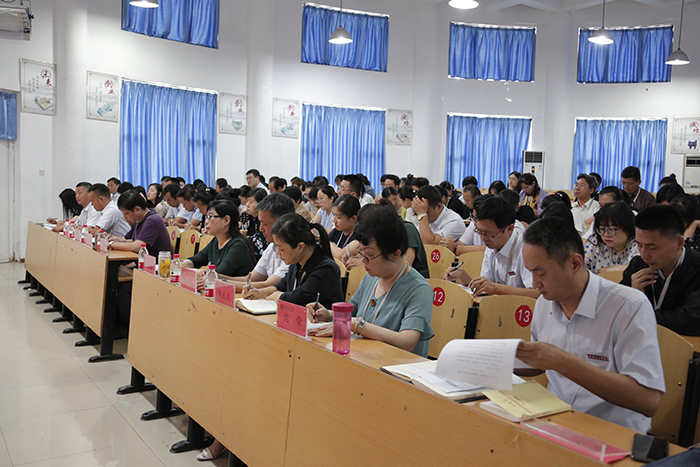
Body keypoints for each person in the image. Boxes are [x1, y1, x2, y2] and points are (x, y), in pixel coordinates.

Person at [516, 217, 664, 434]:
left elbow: (648, 401)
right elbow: (539, 364)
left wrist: (561, 361)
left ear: (575, 263)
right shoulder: (544, 303)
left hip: (612, 433)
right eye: (530, 272)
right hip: (555, 422)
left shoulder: (628, 306)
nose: (534, 283)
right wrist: (495, 360)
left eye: (541, 273)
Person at [308, 205, 434, 357]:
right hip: (366, 357)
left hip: (396, 365)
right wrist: (328, 315)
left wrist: (357, 326)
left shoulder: (419, 289)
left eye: (369, 255)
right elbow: (353, 312)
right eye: (361, 252)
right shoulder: (371, 277)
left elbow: (407, 341)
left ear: (395, 254)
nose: (363, 260)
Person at [621, 205, 700, 336]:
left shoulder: (696, 269)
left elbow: (688, 320)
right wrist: (633, 294)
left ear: (679, 243)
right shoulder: (638, 264)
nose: (644, 255)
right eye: (639, 245)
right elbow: (618, 309)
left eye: (652, 247)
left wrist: (638, 309)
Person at [444, 196, 539, 298]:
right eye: (479, 231)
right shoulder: (492, 245)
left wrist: (497, 289)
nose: (483, 238)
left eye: (488, 234)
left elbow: (538, 294)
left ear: (510, 229)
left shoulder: (527, 250)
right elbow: (486, 286)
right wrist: (464, 277)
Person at [242, 213, 344, 309]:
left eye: (282, 249)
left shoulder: (326, 269)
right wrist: (259, 293)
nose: (278, 252)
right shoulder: (297, 262)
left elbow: (300, 298)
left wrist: (279, 296)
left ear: (300, 247)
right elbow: (281, 285)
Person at [111, 190, 172, 335]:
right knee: (115, 280)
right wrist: (119, 240)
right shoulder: (142, 219)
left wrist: (111, 244)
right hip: (144, 265)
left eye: (126, 213)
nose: (125, 217)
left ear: (137, 209)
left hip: (157, 269)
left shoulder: (152, 220)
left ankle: (131, 330)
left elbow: (137, 246)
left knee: (124, 289)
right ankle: (117, 324)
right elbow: (135, 241)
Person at [218, 193, 294, 292]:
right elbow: (251, 279)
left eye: (265, 224)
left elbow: (267, 285)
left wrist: (219, 283)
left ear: (282, 223)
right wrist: (217, 277)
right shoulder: (271, 247)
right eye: (259, 223)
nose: (260, 229)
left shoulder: (293, 250)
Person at [181, 200, 256, 279]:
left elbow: (217, 275)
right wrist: (178, 264)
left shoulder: (239, 245)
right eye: (207, 217)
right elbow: (195, 260)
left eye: (210, 217)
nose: (206, 222)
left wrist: (190, 271)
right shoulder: (216, 240)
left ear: (226, 220)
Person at [584, 202, 638, 274]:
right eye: (602, 229)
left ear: (627, 227)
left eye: (612, 230)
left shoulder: (638, 244)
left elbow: (635, 268)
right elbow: (577, 266)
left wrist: (605, 271)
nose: (606, 235)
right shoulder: (595, 242)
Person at [328, 194, 360, 260]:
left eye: (338, 217)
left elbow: (341, 256)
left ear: (353, 218)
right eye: (333, 215)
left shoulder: (359, 238)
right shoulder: (338, 230)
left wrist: (326, 242)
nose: (334, 220)